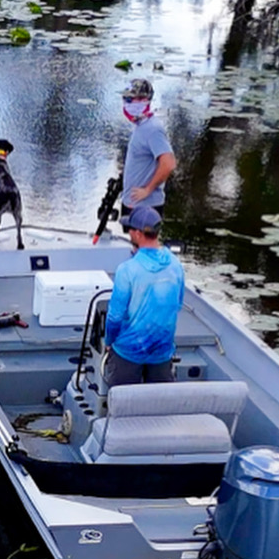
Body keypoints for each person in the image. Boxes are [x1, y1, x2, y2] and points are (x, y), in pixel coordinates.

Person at [103, 205, 185, 387]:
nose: (128, 233)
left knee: (122, 406)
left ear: (138, 234)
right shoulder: (175, 265)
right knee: (158, 406)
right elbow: (178, 305)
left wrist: (108, 342)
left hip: (128, 352)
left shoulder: (127, 270)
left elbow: (114, 317)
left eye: (129, 229)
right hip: (162, 352)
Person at [120, 78, 175, 220]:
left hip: (145, 208)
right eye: (127, 99)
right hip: (133, 205)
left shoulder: (153, 129)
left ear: (146, 100)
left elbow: (168, 163)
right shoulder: (141, 126)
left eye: (134, 99)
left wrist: (148, 190)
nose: (128, 103)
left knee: (143, 243)